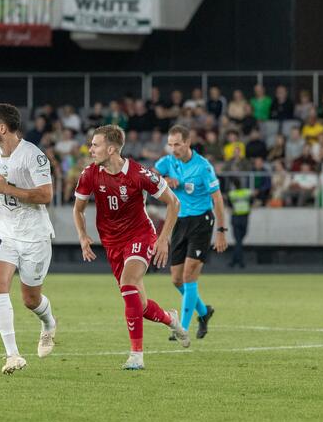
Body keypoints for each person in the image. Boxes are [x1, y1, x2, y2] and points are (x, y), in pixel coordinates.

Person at [73, 125, 188, 371]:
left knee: (128, 284)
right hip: (112, 243)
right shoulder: (89, 174)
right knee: (140, 305)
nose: (90, 149)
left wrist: (163, 238)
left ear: (111, 148)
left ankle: (136, 355)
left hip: (140, 234)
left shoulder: (139, 173)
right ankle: (171, 320)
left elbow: (174, 203)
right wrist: (83, 236)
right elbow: (78, 209)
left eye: (95, 144)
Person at [0, 103, 58, 375]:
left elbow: (46, 195)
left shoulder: (33, 156)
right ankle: (12, 355)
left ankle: (48, 324)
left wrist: (5, 189)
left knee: (30, 299)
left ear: (2, 128)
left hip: (34, 234)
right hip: (5, 230)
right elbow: (1, 186)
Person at [155, 125, 227, 340]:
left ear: (187, 143)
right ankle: (204, 312)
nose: (173, 148)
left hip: (202, 222)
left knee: (188, 277)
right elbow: (151, 175)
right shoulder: (168, 162)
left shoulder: (203, 167)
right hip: (179, 220)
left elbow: (218, 199)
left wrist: (221, 231)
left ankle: (181, 328)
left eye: (177, 144)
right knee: (176, 279)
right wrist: (164, 181)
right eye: (171, 144)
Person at [227, 183, 252, 268]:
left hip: (236, 218)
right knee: (239, 241)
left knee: (238, 241)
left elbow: (229, 205)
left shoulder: (232, 194)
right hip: (244, 218)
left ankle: (235, 261)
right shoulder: (246, 192)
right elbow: (252, 201)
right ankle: (239, 262)